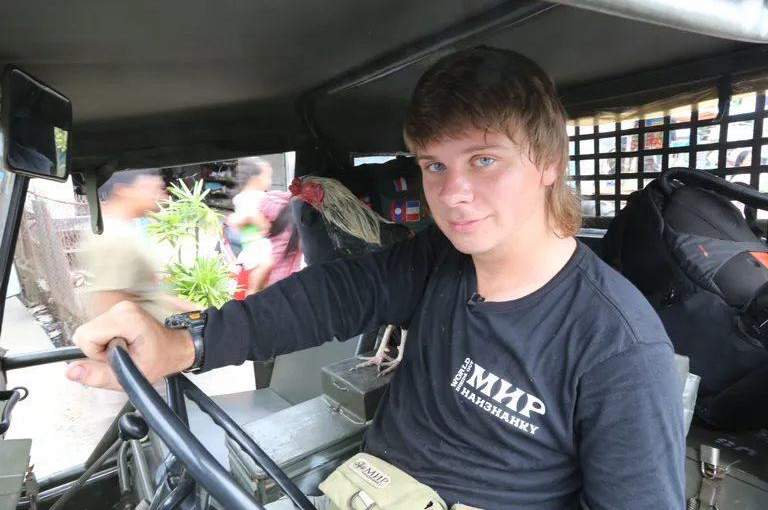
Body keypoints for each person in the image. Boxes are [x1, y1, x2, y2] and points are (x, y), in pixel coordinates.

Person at [66, 47, 685, 509]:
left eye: (484, 160)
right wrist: (184, 343)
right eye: (434, 166)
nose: (454, 192)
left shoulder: (618, 345)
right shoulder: (439, 259)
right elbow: (332, 296)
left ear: (548, 162)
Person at [79, 169, 198, 321]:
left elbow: (139, 293)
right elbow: (111, 308)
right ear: (123, 190)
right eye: (148, 186)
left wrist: (188, 308)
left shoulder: (125, 229)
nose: (160, 187)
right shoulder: (114, 238)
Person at [226, 157, 276, 294]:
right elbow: (255, 217)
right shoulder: (252, 197)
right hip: (255, 242)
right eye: (267, 177)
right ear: (255, 179)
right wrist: (267, 226)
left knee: (268, 269)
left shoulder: (247, 196)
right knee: (267, 263)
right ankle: (251, 292)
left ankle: (257, 290)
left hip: (255, 241)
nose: (270, 182)